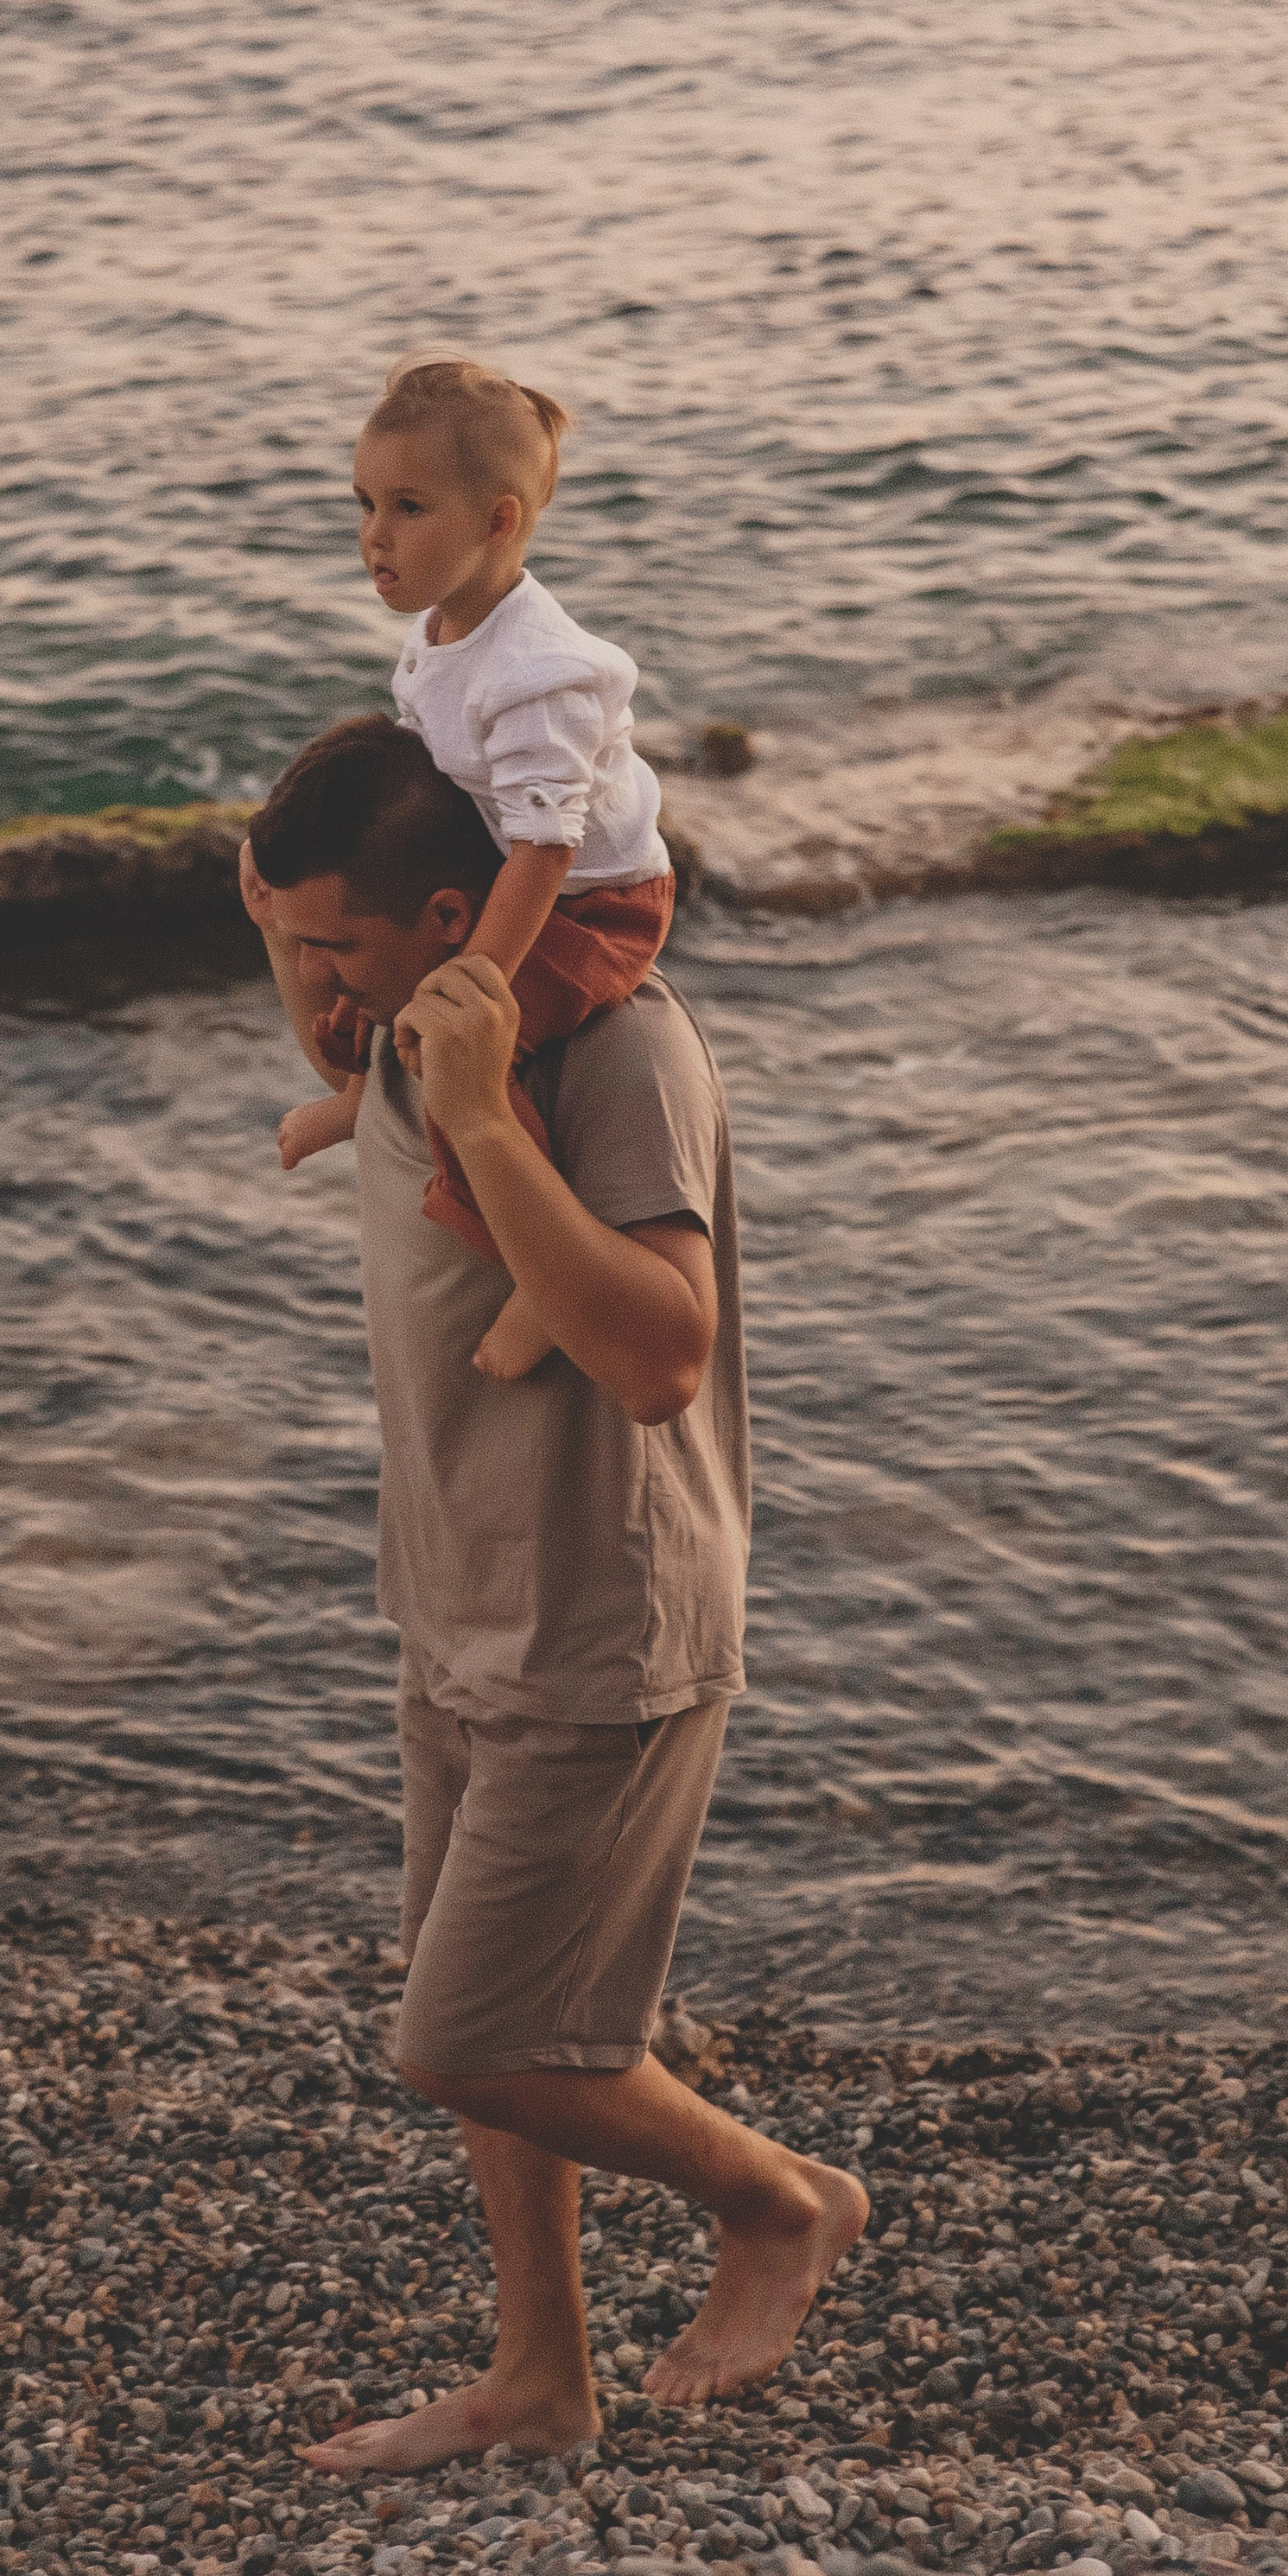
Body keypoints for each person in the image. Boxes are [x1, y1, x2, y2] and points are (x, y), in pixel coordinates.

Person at [239, 716, 868, 2476]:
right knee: (499, 2016)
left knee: (475, 2040)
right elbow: (295, 900)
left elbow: (663, 1354)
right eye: (288, 947)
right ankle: (538, 2377)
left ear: (457, 916)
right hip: (454, 1594)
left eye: (333, 953)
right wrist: (315, 962)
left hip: (604, 1617)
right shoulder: (400, 1010)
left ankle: (781, 2205)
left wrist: (476, 1129)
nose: (308, 991)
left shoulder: (610, 1057)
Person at [271, 355, 676, 1386]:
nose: (374, 534)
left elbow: (547, 844)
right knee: (375, 1001)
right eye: (364, 502)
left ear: (498, 521)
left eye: (409, 507)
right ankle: (366, 1097)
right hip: (511, 871)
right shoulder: (439, 633)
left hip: (592, 905)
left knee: (471, 1059)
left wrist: (477, 977)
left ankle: (542, 1275)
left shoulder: (537, 675)